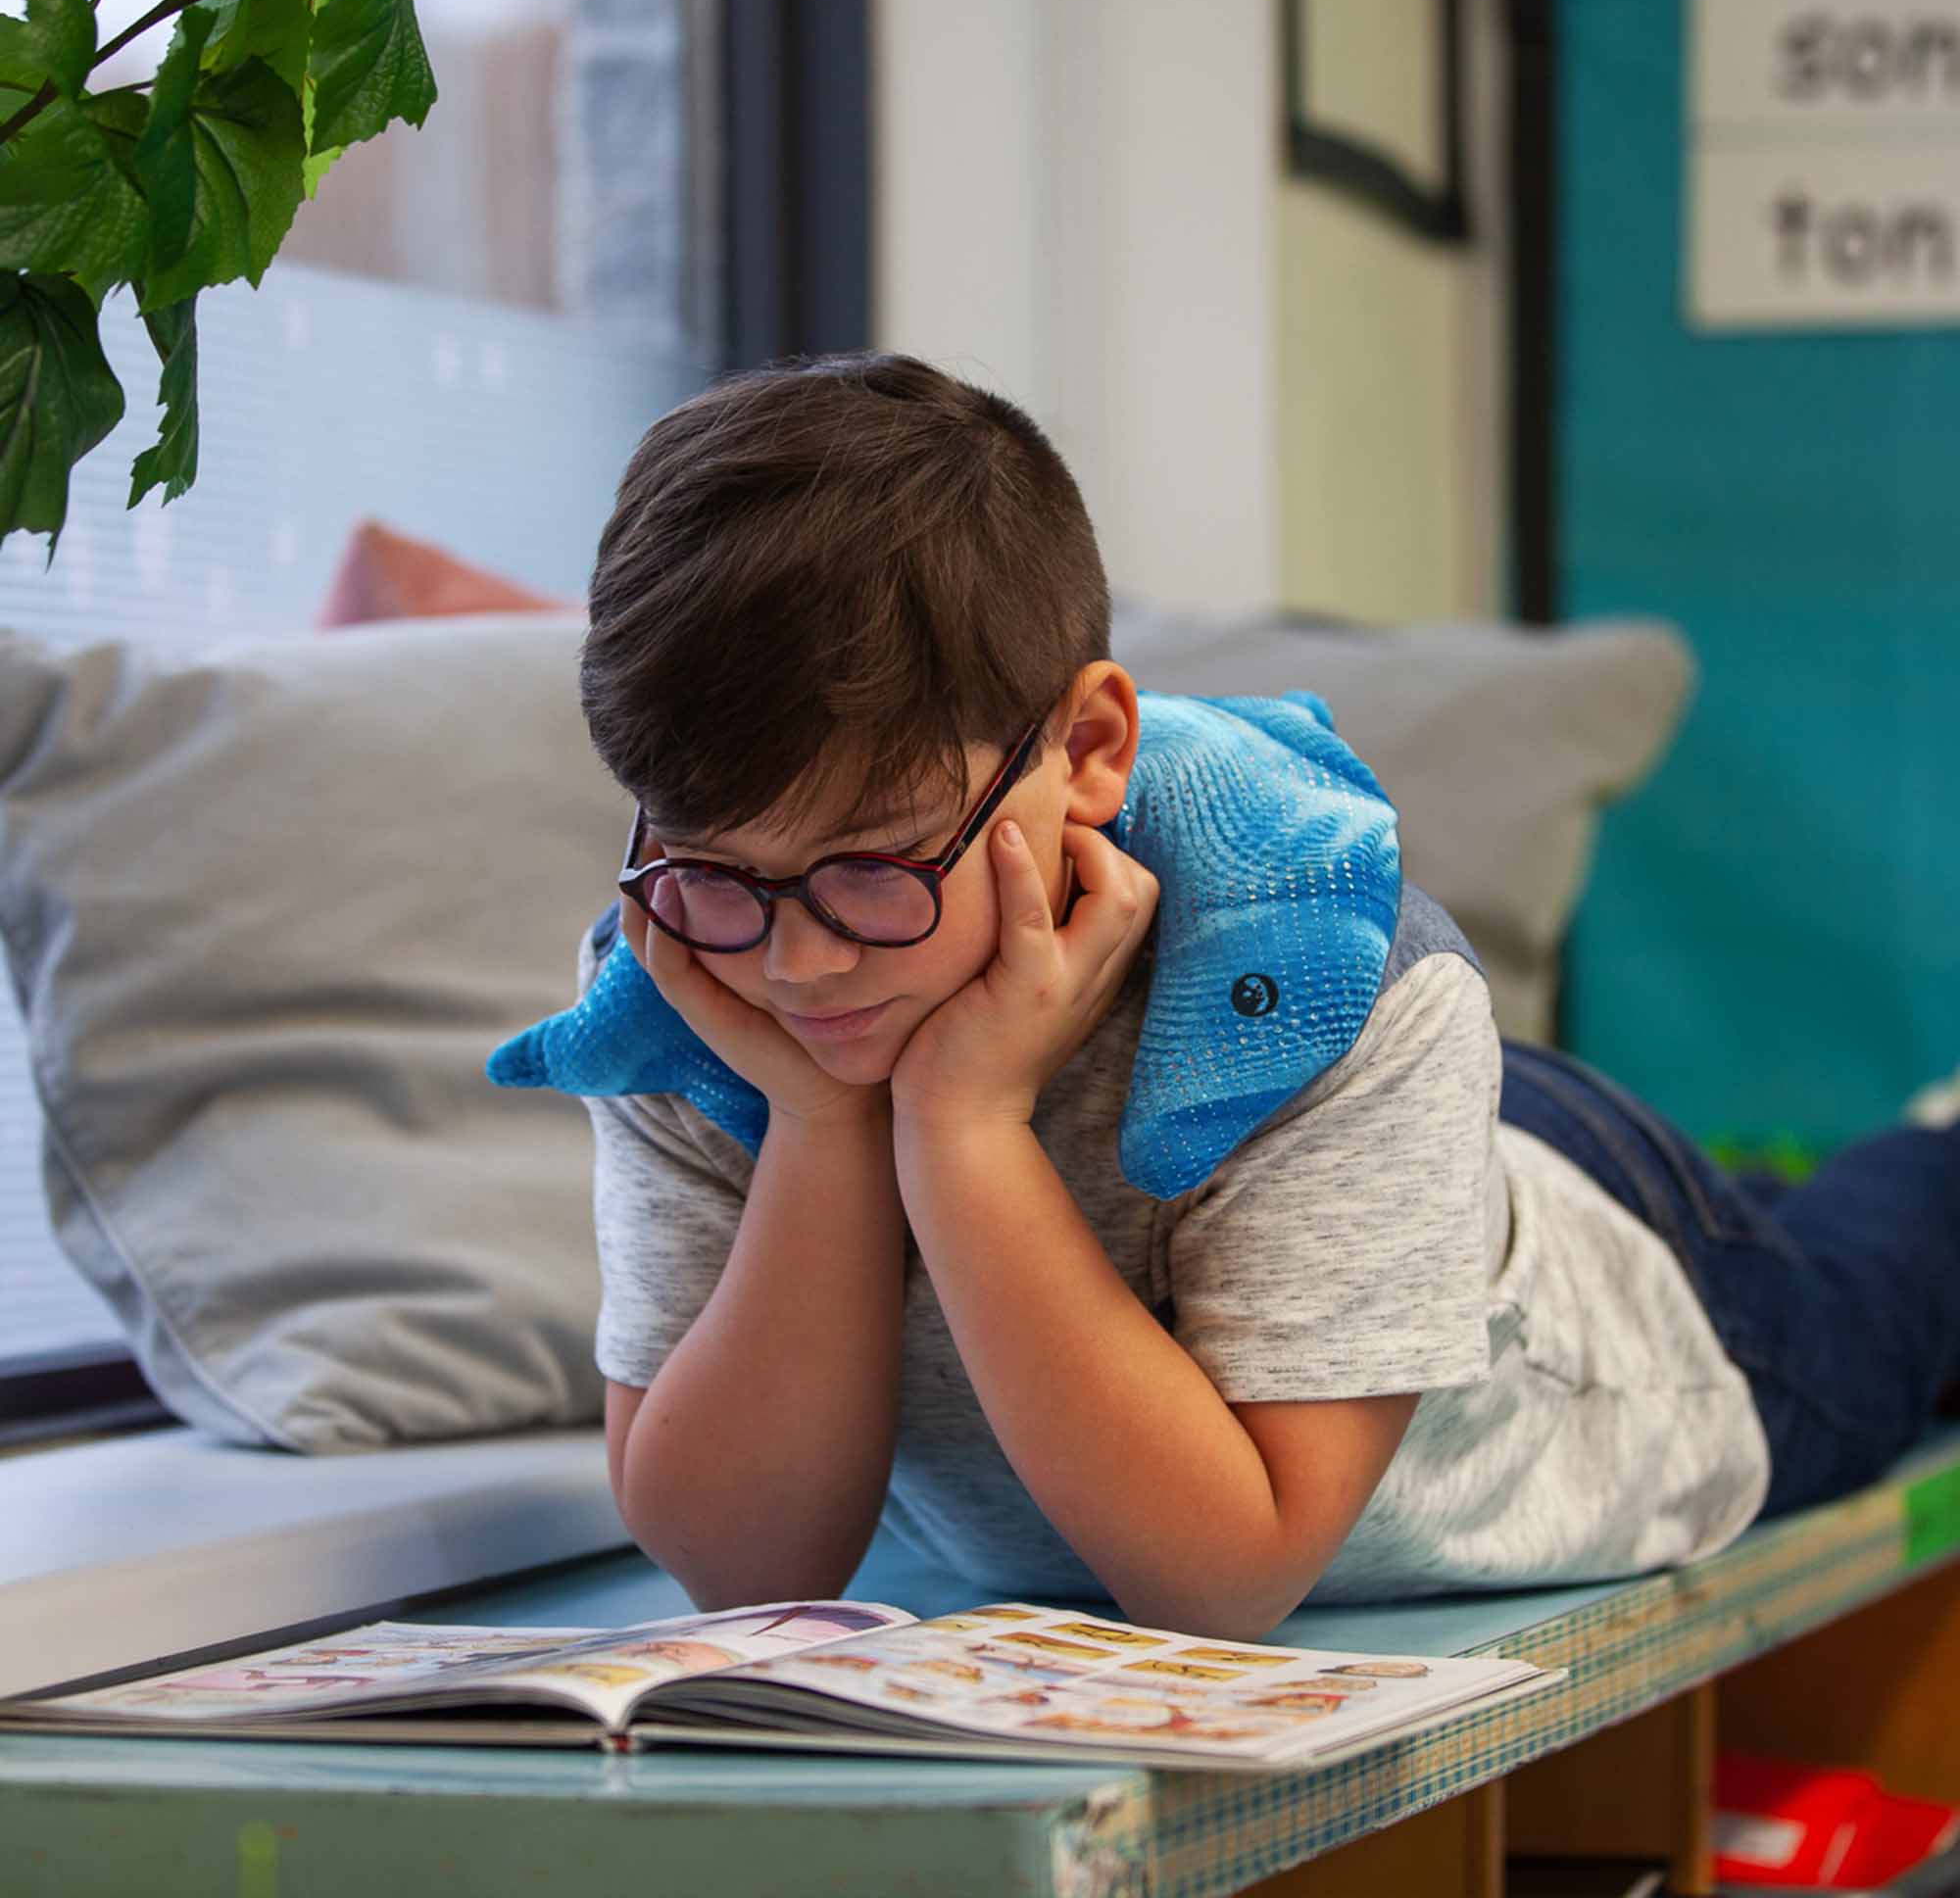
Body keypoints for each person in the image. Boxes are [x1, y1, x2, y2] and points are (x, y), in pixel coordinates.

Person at [562, 351, 1960, 1642]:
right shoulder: (699, 965)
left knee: (1892, 1266)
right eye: (721, 866)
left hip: (1616, 1287)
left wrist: (968, 1126)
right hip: (1352, 1173)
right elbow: (742, 1567)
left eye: (873, 863)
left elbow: (1226, 1574)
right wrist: (821, 1128)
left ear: (1092, 748)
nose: (800, 964)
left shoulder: (1344, 984)